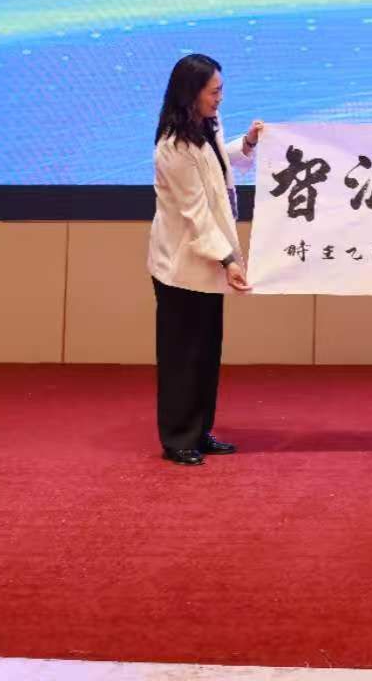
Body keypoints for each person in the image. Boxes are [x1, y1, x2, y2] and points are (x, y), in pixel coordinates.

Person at [148, 53, 263, 466]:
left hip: (207, 263)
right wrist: (229, 259)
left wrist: (248, 144)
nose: (219, 98)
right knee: (182, 354)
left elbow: (217, 168)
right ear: (191, 93)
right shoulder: (174, 146)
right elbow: (195, 213)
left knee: (206, 352)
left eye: (220, 90)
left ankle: (200, 430)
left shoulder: (206, 125)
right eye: (213, 91)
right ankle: (178, 437)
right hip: (181, 266)